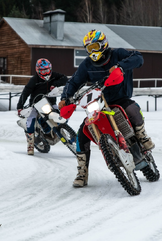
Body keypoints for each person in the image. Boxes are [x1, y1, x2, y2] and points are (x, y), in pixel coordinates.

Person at [59, 30, 155, 187]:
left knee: (132, 110)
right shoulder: (87, 65)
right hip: (98, 104)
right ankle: (82, 172)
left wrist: (120, 67)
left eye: (95, 46)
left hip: (120, 98)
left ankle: (142, 137)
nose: (92, 52)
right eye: (89, 49)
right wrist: (65, 98)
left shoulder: (118, 54)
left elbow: (138, 57)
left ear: (103, 44)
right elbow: (74, 82)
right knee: (82, 132)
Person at [17, 58, 68, 155]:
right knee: (30, 120)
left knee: (62, 114)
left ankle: (63, 130)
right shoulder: (34, 80)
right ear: (37, 70)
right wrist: (20, 106)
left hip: (51, 102)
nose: (45, 73)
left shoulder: (54, 75)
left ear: (50, 69)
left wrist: (55, 84)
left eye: (47, 70)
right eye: (42, 71)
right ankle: (30, 145)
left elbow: (65, 78)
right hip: (36, 104)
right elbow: (26, 92)